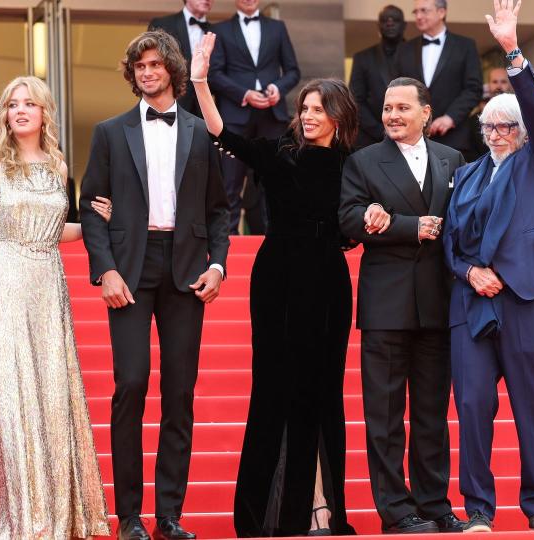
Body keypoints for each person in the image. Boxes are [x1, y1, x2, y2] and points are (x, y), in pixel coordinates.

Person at [190, 31, 359, 537]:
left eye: (317, 109)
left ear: (338, 117)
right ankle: (270, 511)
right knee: (276, 388)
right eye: (304, 107)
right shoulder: (278, 153)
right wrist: (200, 80)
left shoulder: (356, 164)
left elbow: (363, 215)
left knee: (322, 390)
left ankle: (322, 505)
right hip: (278, 280)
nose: (307, 116)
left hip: (328, 281)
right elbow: (223, 133)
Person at [79, 29, 230, 540]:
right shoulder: (109, 131)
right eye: (139, 66)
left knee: (180, 392)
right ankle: (128, 516)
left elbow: (219, 211)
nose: (146, 73)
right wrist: (107, 269)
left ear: (171, 71)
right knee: (131, 384)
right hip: (131, 265)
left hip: (187, 269)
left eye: (154, 65)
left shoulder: (197, 132)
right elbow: (90, 205)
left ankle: (169, 514)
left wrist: (218, 266)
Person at [442, 0, 534, 533]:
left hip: (528, 297)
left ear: (524, 132)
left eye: (508, 126)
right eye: (491, 127)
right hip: (474, 302)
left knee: (531, 409)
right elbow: (450, 239)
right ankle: (478, 510)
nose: (499, 133)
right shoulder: (469, 174)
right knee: (474, 407)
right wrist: (468, 271)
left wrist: (512, 52)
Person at [0, 75, 111, 539]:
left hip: (47, 287)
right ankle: (22, 521)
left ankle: (54, 515)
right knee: (11, 401)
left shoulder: (58, 165)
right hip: (1, 283)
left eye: (29, 103)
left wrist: (89, 225)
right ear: (4, 114)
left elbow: (50, 228)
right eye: (11, 104)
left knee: (49, 398)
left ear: (44, 113)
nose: (19, 110)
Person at [338, 78, 464, 534]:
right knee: (386, 417)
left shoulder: (454, 160)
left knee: (432, 415)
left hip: (439, 303)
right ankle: (396, 510)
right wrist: (405, 226)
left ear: (426, 113)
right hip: (387, 305)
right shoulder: (363, 161)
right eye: (388, 107)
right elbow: (348, 218)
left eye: (403, 108)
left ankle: (435, 504)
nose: (392, 115)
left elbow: (464, 219)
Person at [209, 0, 301, 234]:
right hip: (235, 115)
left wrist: (277, 88)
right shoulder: (220, 30)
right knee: (230, 179)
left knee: (275, 178)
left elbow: (293, 71)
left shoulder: (277, 27)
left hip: (272, 114)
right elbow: (215, 74)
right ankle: (226, 239)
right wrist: (245, 94)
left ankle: (276, 234)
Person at [392, 0, 482, 161]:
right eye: (416, 12)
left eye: (424, 11)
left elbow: (473, 88)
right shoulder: (404, 49)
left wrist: (450, 118)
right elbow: (398, 91)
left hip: (454, 138)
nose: (418, 16)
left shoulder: (465, 46)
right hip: (412, 138)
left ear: (441, 12)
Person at [350, 5, 406, 148]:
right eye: (385, 20)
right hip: (370, 139)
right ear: (378, 25)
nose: (390, 23)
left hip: (410, 137)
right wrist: (381, 131)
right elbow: (356, 100)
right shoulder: (362, 58)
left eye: (395, 19)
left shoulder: (420, 57)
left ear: (404, 25)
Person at [148, 0, 214, 117]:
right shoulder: (161, 24)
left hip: (204, 108)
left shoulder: (217, 31)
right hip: (169, 103)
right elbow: (153, 63)